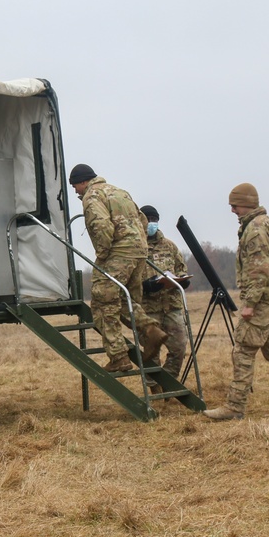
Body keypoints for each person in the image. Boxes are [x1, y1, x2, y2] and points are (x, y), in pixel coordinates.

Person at [204, 183, 269, 420]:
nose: (232, 210)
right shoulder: (263, 223)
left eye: (235, 205)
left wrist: (250, 303)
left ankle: (235, 406)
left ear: (247, 203)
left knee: (242, 350)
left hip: (261, 301)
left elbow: (259, 270)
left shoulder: (255, 229)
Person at [69, 164, 169, 373]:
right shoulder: (119, 191)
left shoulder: (92, 196)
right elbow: (142, 220)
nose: (75, 191)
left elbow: (101, 226)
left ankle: (118, 357)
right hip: (139, 252)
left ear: (83, 182)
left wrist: (103, 254)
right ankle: (150, 330)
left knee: (102, 304)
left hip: (118, 253)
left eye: (75, 186)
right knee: (125, 300)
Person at [139, 205, 191, 382]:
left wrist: (183, 280)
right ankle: (153, 387)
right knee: (151, 351)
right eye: (148, 220)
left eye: (154, 220)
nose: (151, 224)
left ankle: (168, 382)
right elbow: (126, 279)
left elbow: (181, 269)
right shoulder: (134, 248)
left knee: (179, 347)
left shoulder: (169, 246)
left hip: (172, 307)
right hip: (147, 310)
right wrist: (144, 286)